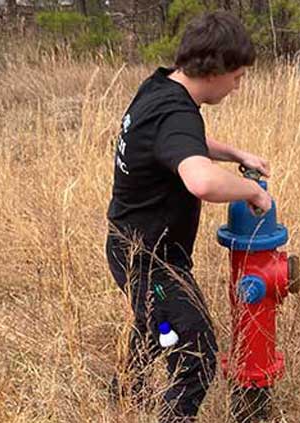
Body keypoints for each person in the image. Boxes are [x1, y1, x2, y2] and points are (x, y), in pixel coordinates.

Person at [105, 10, 272, 422]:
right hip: (151, 265)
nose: (238, 86)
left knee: (154, 327)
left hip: (130, 248)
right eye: (237, 76)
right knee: (195, 353)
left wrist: (236, 154)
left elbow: (184, 140)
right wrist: (252, 190)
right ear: (215, 69)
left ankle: (124, 399)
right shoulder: (176, 114)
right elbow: (201, 181)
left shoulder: (161, 88)